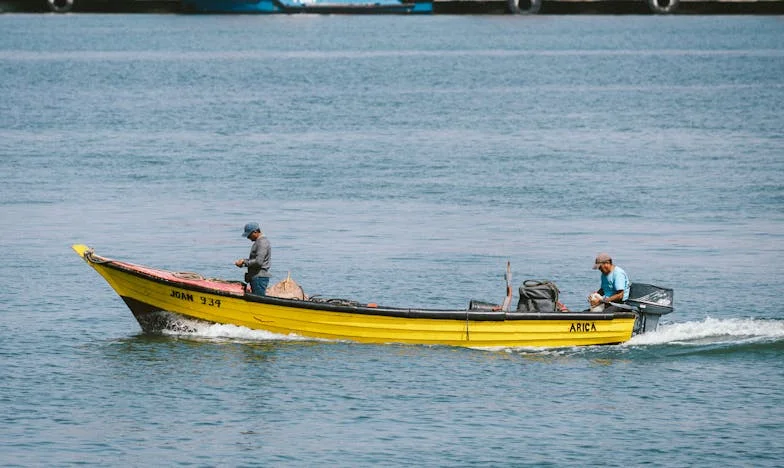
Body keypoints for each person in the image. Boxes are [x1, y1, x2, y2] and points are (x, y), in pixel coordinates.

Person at [235, 222, 271, 296]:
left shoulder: (262, 243)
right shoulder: (259, 242)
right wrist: (244, 261)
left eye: (249, 235)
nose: (248, 237)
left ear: (255, 232)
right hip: (257, 277)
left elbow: (258, 262)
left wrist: (244, 262)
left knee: (258, 301)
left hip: (259, 278)